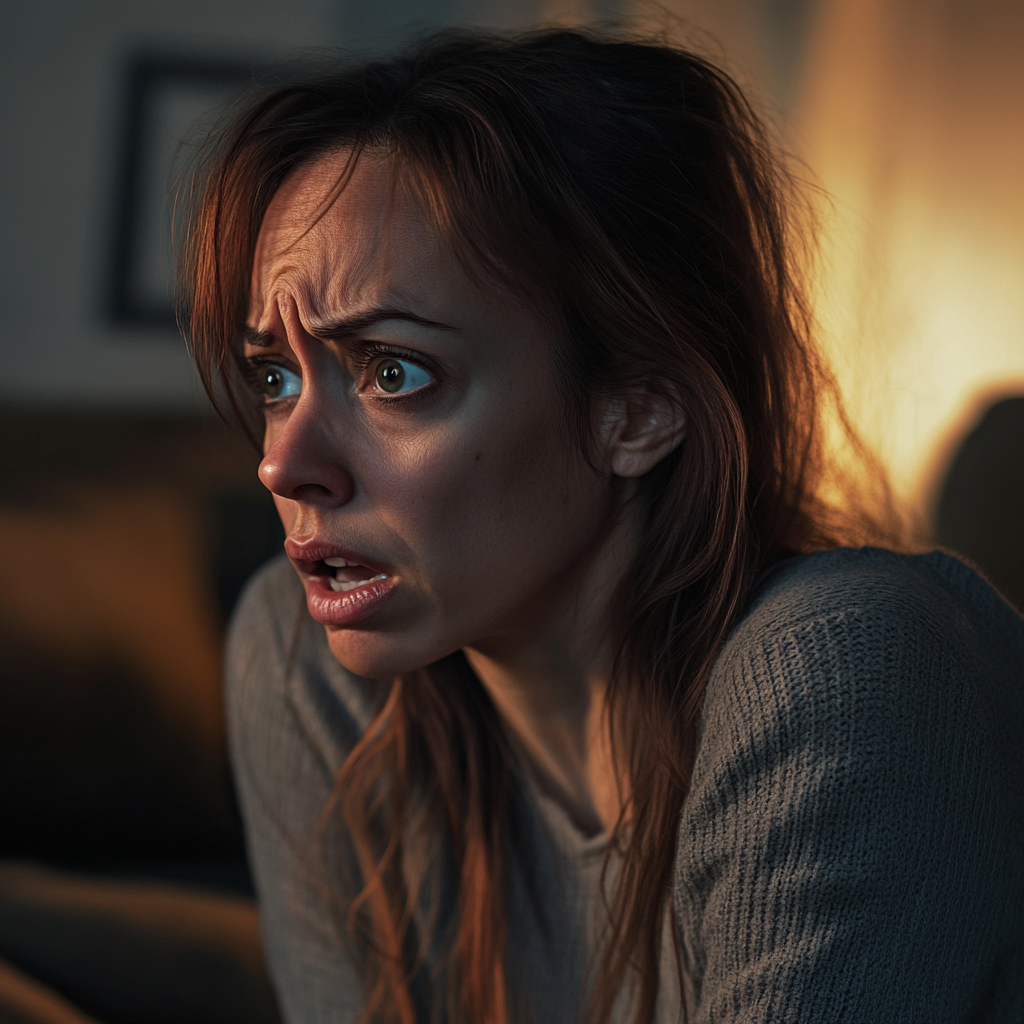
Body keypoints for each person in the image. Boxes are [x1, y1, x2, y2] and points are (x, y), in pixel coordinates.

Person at [182, 28, 1024, 1024]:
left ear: (638, 408)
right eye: (273, 377)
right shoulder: (302, 662)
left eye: (394, 372)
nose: (282, 461)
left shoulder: (842, 671)